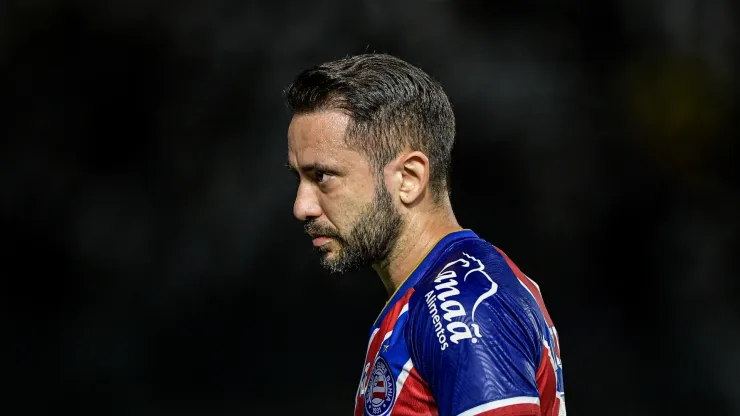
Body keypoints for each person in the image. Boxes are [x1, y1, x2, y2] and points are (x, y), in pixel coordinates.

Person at [284, 53, 565, 416]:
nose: (301, 206)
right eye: (299, 178)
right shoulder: (432, 296)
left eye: (322, 176)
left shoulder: (460, 306)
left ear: (409, 178)